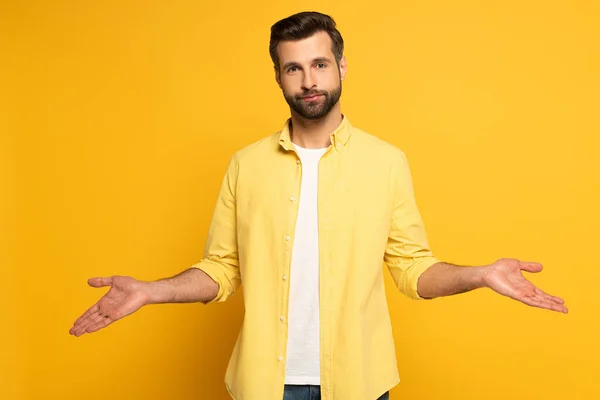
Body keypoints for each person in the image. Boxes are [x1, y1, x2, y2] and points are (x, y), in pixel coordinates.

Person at [69, 11, 568, 400]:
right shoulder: (246, 165)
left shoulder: (386, 162)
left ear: (341, 66)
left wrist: (479, 274)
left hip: (358, 384)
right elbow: (221, 270)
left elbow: (415, 271)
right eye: (294, 67)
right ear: (279, 77)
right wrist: (150, 291)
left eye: (320, 64)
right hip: (264, 386)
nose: (309, 80)